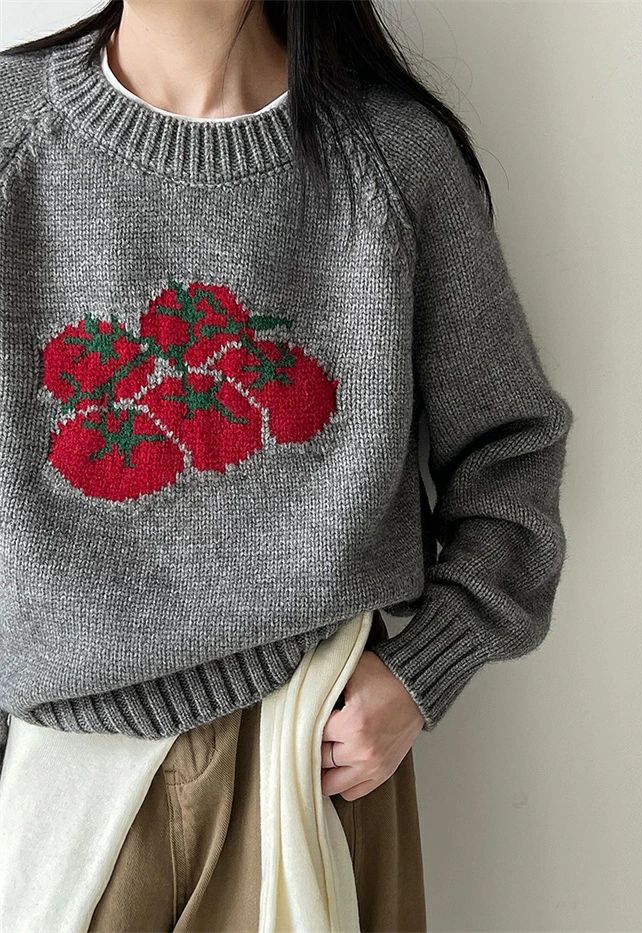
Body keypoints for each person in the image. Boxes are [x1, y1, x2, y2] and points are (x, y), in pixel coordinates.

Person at [0, 1, 574, 930]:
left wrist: (425, 667)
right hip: (59, 775)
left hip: (316, 755)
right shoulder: (10, 131)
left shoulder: (393, 159)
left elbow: (512, 449)